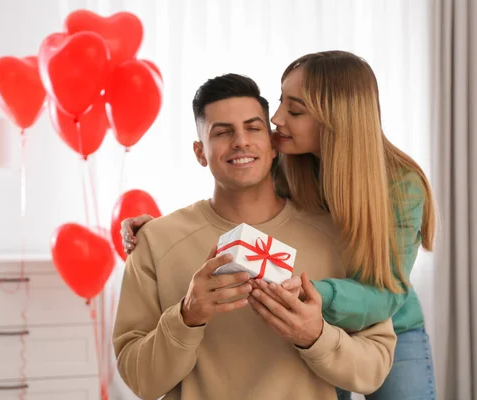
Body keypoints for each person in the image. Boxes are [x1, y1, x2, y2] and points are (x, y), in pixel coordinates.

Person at [121, 51, 437, 400]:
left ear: (333, 118)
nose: (277, 119)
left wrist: (305, 289)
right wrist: (160, 234)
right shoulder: (291, 162)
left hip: (382, 308)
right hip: (316, 312)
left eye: (295, 110)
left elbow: (384, 294)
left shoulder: (400, 186)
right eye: (280, 103)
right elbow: (237, 189)